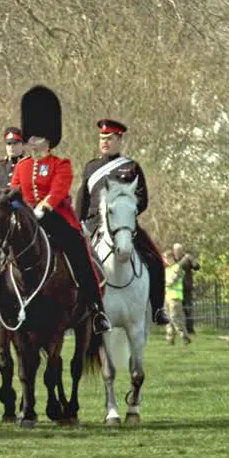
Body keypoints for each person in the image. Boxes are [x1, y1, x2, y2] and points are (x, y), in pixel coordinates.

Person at [6, 86, 112, 335]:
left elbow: (59, 190)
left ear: (48, 136)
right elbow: (13, 191)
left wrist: (42, 208)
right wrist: (15, 208)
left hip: (54, 217)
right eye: (30, 135)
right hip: (26, 218)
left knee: (78, 250)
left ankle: (96, 308)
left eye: (36, 135)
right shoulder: (22, 166)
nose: (31, 139)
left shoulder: (60, 164)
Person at [77, 119, 169, 325]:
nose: (104, 142)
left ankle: (158, 309)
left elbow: (142, 199)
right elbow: (81, 200)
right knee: (76, 264)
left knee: (155, 259)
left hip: (124, 227)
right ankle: (81, 311)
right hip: (94, 226)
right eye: (102, 138)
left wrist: (125, 216)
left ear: (119, 140)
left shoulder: (131, 166)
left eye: (109, 138)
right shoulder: (91, 167)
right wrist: (79, 224)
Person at [164, 249, 189, 345]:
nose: (165, 261)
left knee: (175, 318)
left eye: (166, 258)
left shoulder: (177, 268)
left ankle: (184, 337)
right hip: (167, 297)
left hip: (175, 298)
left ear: (171, 258)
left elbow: (171, 282)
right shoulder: (167, 270)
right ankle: (170, 339)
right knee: (167, 319)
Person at [176, 243, 200, 337]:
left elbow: (197, 266)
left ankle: (190, 329)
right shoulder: (173, 259)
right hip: (175, 289)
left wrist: (194, 262)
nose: (176, 252)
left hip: (186, 288)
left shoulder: (187, 258)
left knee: (187, 309)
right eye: (175, 251)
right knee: (176, 310)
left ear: (182, 250)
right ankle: (179, 330)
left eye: (178, 250)